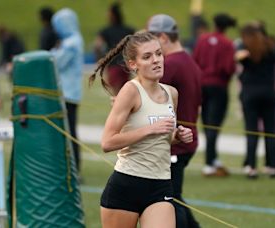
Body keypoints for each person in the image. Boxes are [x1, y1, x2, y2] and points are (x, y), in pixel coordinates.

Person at [89, 31, 193, 228]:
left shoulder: (172, 93)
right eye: (147, 57)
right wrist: (149, 129)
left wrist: (177, 136)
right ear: (132, 64)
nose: (156, 60)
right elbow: (107, 142)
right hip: (127, 184)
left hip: (160, 183)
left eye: (158, 54)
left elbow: (163, 137)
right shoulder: (130, 91)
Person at [147, 14, 202, 228]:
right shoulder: (188, 60)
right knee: (173, 196)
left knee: (169, 201)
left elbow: (146, 97)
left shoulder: (170, 65)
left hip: (176, 143)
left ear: (162, 37)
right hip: (185, 139)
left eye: (152, 40)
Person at [236, 23, 275, 178]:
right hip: (268, 93)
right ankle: (272, 165)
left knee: (251, 131)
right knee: (270, 131)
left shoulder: (245, 49)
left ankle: (251, 166)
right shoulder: (269, 48)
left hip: (250, 95)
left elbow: (236, 58)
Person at [193, 13, 236, 177]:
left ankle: (212, 157)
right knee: (214, 124)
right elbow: (229, 68)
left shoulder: (203, 39)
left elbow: (195, 60)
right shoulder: (227, 43)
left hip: (202, 85)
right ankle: (209, 162)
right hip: (219, 86)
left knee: (206, 122)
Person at [51, 8, 84, 173]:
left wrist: (54, 53)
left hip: (68, 93)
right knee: (67, 131)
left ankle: (73, 168)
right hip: (69, 92)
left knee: (69, 132)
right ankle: (70, 167)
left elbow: (57, 62)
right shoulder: (71, 40)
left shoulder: (72, 42)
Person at [93, 2, 135, 95]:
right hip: (126, 64)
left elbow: (97, 46)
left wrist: (99, 59)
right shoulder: (129, 30)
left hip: (113, 64)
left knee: (116, 94)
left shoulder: (105, 31)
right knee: (126, 91)